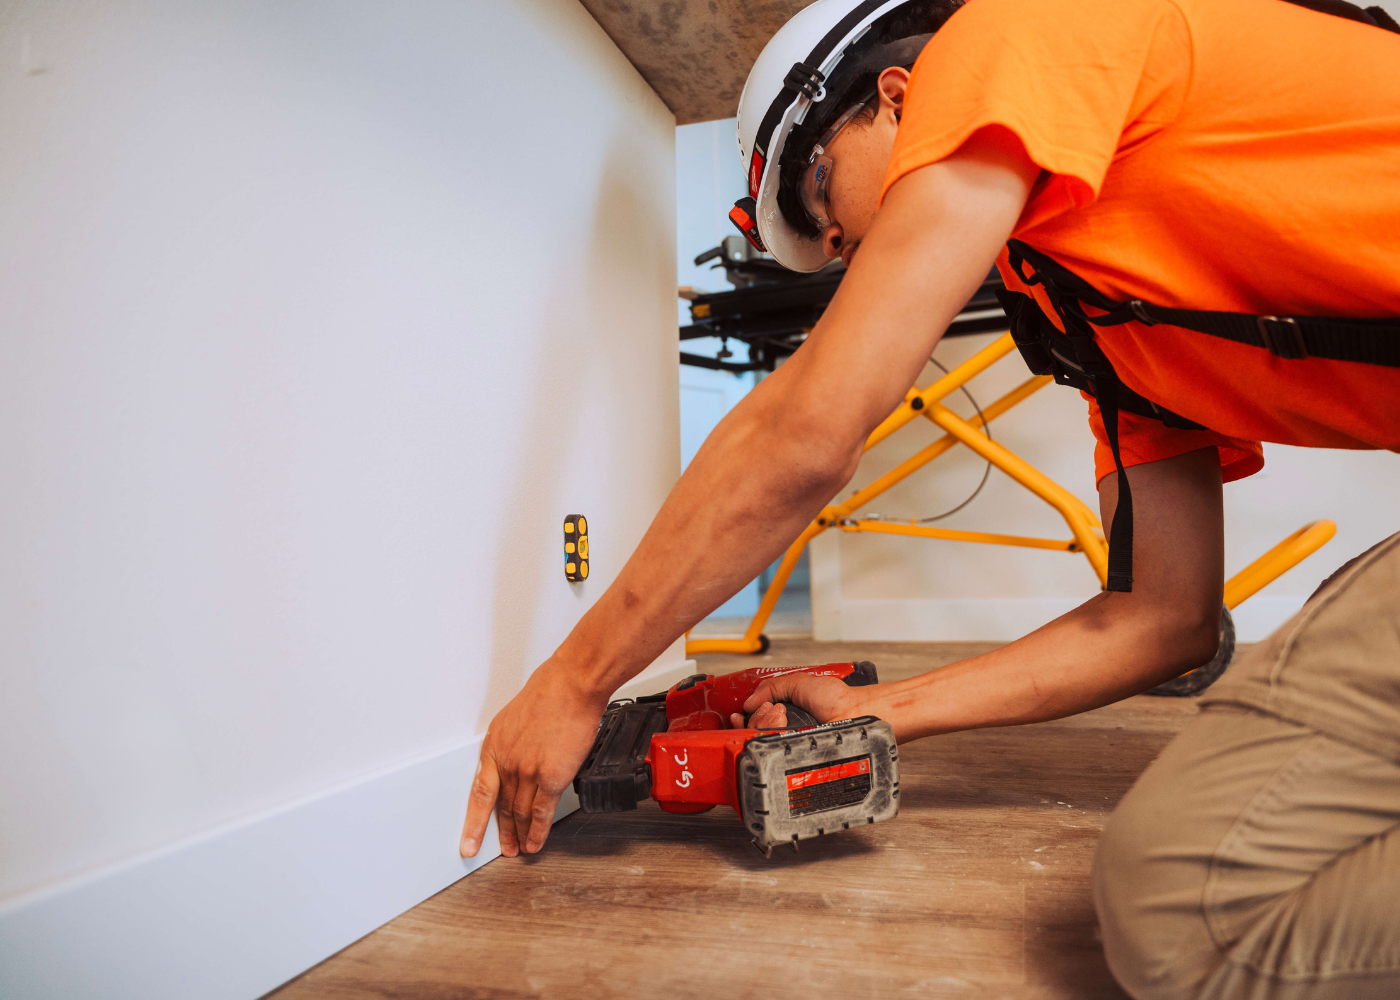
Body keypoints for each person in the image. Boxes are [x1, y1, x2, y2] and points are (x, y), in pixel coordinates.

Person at [461, 0, 1400, 994]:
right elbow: (1160, 619)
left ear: (897, 97)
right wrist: (877, 710)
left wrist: (572, 680)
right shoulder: (1086, 311)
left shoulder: (1012, 33)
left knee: (1187, 912)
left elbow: (805, 431)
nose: (832, 248)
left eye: (817, 193)